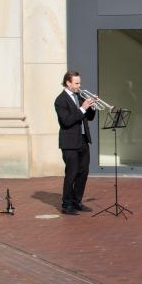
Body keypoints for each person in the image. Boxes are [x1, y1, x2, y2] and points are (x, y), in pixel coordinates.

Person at [54, 70, 96, 215]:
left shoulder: (79, 96)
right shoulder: (60, 100)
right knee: (71, 173)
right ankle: (66, 204)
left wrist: (92, 106)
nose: (79, 86)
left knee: (83, 173)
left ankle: (77, 201)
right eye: (76, 83)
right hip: (70, 143)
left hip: (83, 140)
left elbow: (88, 117)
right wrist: (83, 108)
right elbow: (67, 121)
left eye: (79, 83)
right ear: (68, 82)